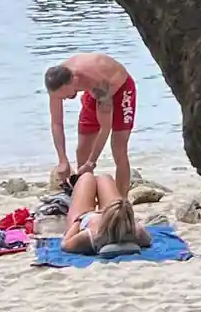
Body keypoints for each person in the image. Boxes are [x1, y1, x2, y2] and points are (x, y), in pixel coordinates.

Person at [45, 52, 136, 195]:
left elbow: (105, 128)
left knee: (118, 148)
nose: (64, 100)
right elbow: (57, 123)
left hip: (120, 89)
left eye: (65, 96)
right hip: (92, 93)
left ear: (73, 81)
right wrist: (62, 160)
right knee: (82, 150)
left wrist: (91, 163)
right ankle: (85, 199)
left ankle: (121, 203)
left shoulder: (97, 83)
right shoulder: (55, 83)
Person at [60, 168, 147, 255]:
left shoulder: (89, 237)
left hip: (88, 217)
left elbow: (65, 244)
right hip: (119, 214)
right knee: (104, 178)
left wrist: (78, 221)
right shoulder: (138, 234)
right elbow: (148, 241)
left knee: (87, 177)